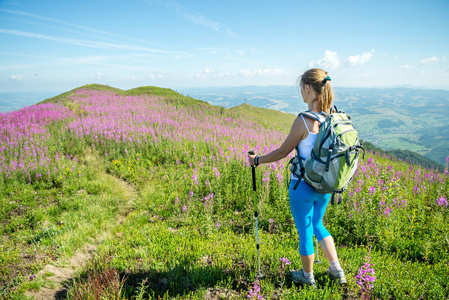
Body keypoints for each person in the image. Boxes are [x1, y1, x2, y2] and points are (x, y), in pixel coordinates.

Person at [248, 68, 346, 287]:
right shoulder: (332, 117)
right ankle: (337, 270)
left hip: (302, 186)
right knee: (318, 223)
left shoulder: (304, 120)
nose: (301, 93)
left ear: (308, 88)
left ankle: (307, 276)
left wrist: (257, 160)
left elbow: (283, 152)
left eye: (302, 88)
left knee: (305, 231)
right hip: (325, 186)